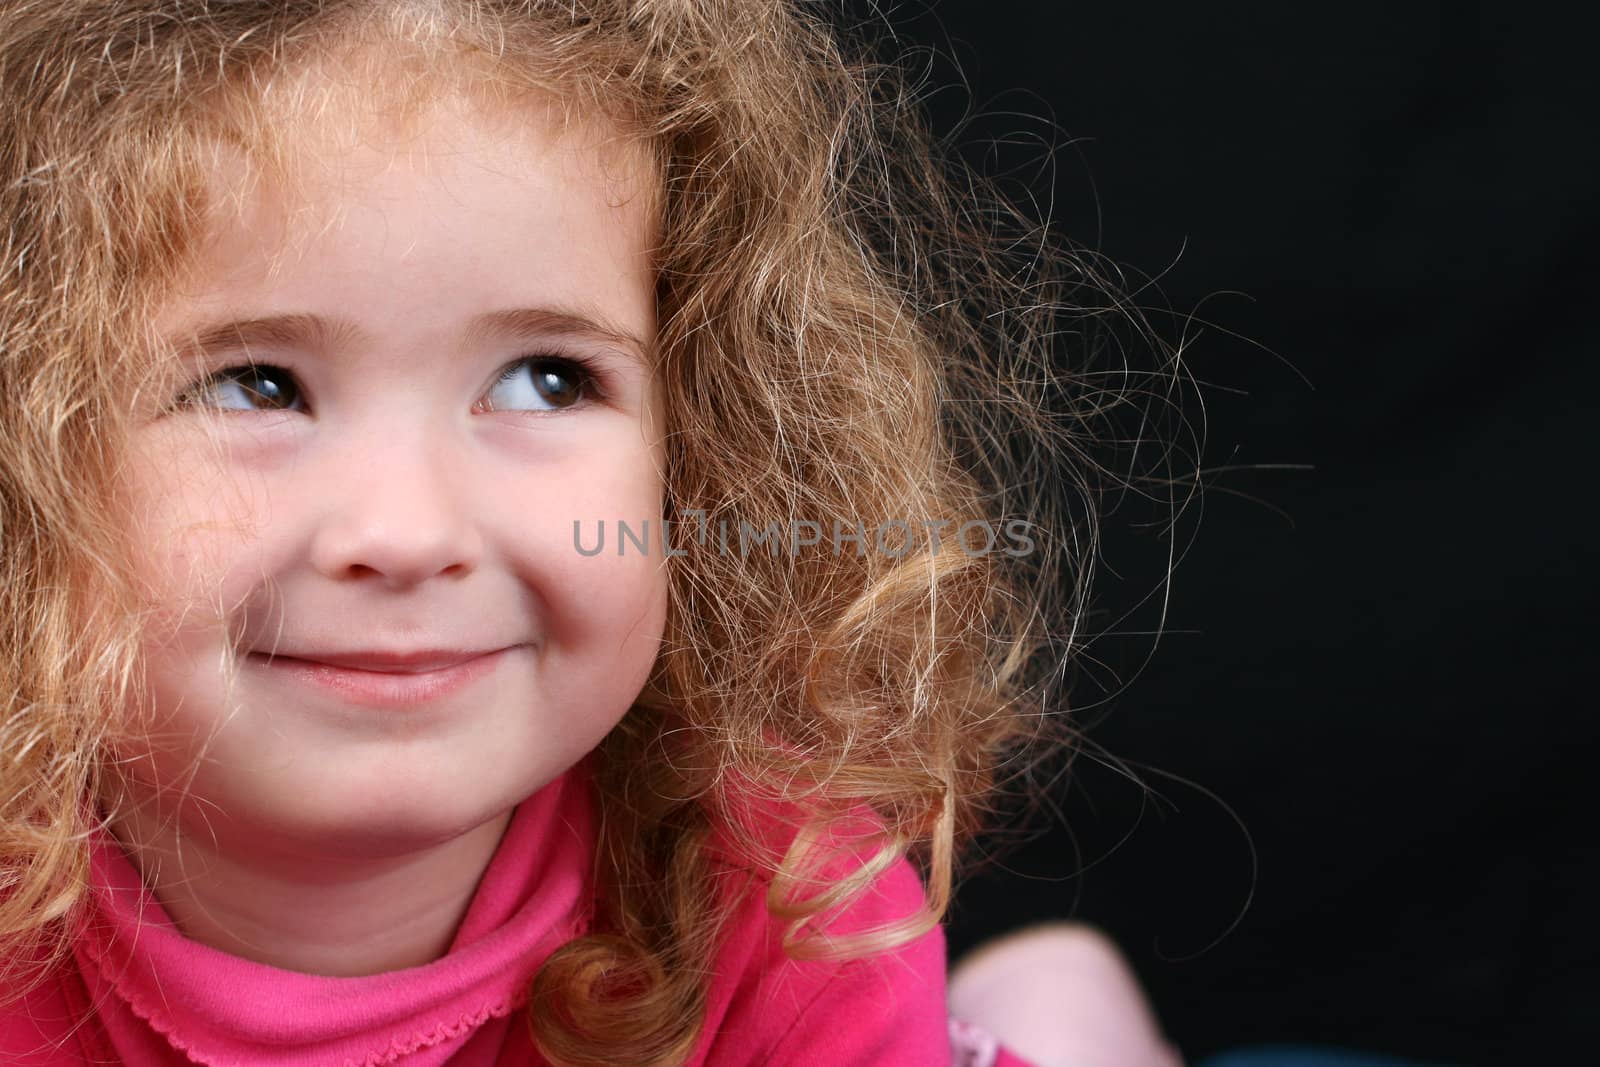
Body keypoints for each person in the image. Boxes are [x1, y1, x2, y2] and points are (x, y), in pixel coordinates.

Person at [0, 2, 1187, 1064]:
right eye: (256, 384)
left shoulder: (795, 914)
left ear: (706, 436)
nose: (407, 534)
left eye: (545, 380)